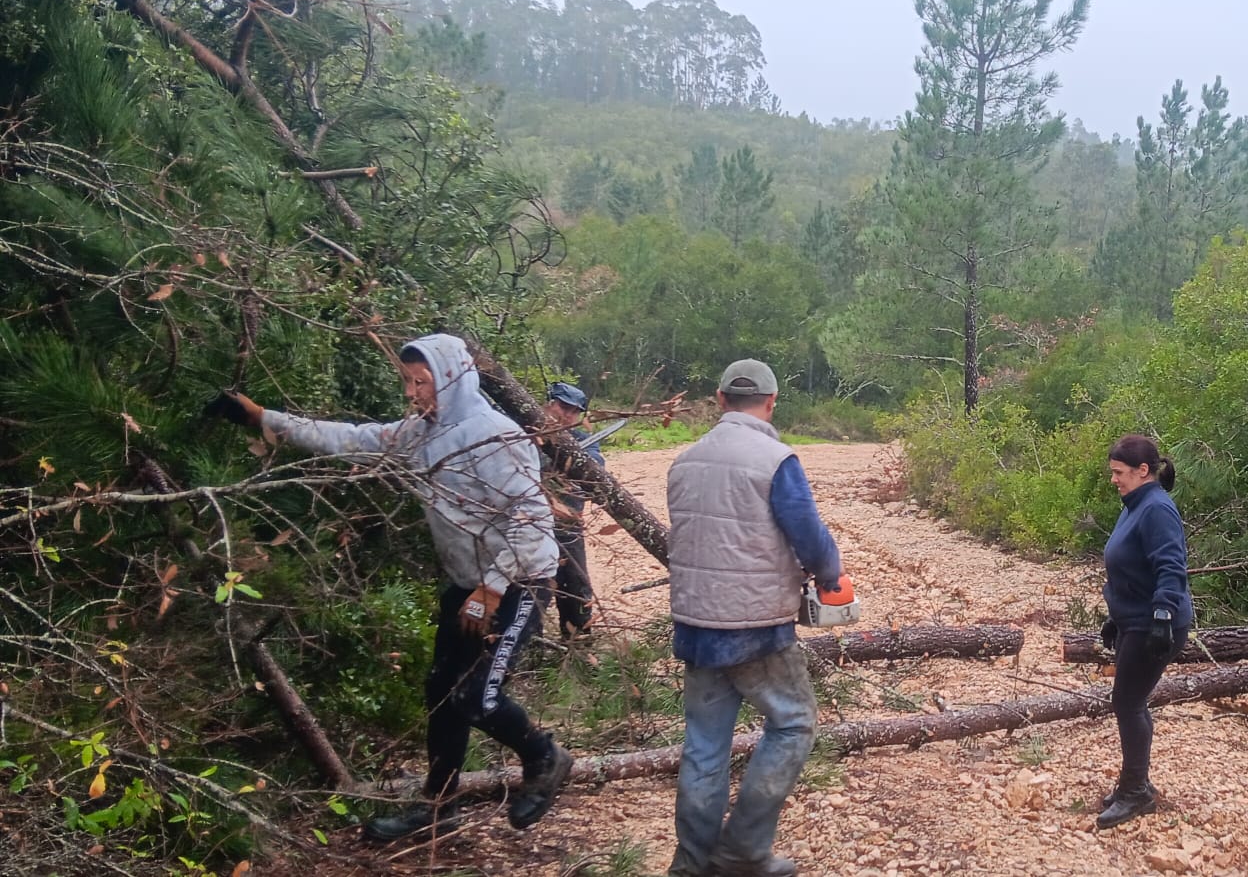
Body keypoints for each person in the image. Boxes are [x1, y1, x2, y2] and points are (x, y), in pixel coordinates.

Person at [202, 334, 574, 842]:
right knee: (442, 695)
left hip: (519, 583)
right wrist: (264, 418)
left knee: (477, 697)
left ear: (452, 378)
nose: (412, 393)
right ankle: (438, 808)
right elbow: (351, 438)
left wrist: (491, 589)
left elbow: (530, 519)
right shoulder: (419, 433)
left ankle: (544, 756)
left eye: (421, 382)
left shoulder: (496, 435)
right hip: (467, 585)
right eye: (407, 382)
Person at [664, 359, 841, 877]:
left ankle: (692, 864)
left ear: (720, 400)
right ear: (771, 402)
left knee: (704, 746)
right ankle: (742, 851)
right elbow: (807, 533)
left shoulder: (684, 461)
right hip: (755, 627)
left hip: (696, 624)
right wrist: (829, 572)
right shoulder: (775, 459)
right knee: (794, 723)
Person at [1095, 433, 1192, 830]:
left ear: (1143, 470)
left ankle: (1135, 792)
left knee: (1127, 702)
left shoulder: (1156, 509)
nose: (1114, 479)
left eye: (1119, 472)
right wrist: (1115, 616)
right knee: (1131, 701)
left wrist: (1163, 616)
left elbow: (1171, 565)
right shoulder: (1135, 504)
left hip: (1154, 624)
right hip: (1134, 620)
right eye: (1113, 472)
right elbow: (1131, 567)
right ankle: (1137, 784)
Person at [541, 381, 605, 639]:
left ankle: (578, 643)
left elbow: (595, 471)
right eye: (562, 407)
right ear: (549, 403)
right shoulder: (527, 433)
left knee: (575, 586)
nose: (567, 415)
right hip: (529, 524)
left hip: (567, 526)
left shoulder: (584, 441)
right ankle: (530, 644)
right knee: (533, 587)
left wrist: (567, 453)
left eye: (574, 411)